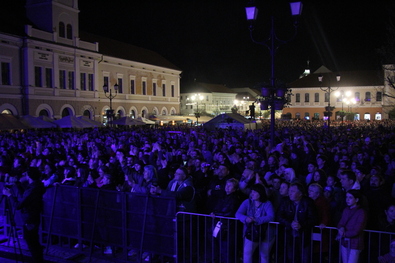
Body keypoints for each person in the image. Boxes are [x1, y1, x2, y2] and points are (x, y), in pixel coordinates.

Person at [3, 167, 46, 263]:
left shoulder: (33, 189)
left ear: (29, 176)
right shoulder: (36, 185)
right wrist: (18, 185)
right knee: (33, 240)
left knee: (31, 242)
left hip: (30, 218)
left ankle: (38, 261)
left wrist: (9, 195)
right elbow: (25, 196)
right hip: (32, 216)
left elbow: (18, 205)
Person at [277, 182, 317, 263]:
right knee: (291, 258)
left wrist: (301, 225)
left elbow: (313, 218)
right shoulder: (285, 201)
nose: (289, 193)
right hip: (289, 235)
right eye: (289, 191)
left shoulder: (308, 202)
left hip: (304, 235)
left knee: (305, 259)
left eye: (292, 191)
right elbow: (279, 216)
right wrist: (290, 223)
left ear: (300, 193)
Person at [236, 183, 274, 263]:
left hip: (266, 232)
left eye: (254, 192)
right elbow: (238, 214)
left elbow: (271, 216)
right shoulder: (247, 202)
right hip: (251, 232)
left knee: (264, 255)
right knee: (247, 253)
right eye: (251, 192)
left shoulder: (267, 203)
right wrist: (246, 218)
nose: (252, 194)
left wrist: (256, 220)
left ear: (260, 193)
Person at [336, 189, 368, 263]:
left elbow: (357, 229)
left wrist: (343, 233)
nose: (347, 199)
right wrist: (341, 228)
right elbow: (341, 223)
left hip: (355, 243)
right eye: (347, 197)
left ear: (356, 199)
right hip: (345, 241)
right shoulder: (346, 210)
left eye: (350, 197)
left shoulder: (361, 212)